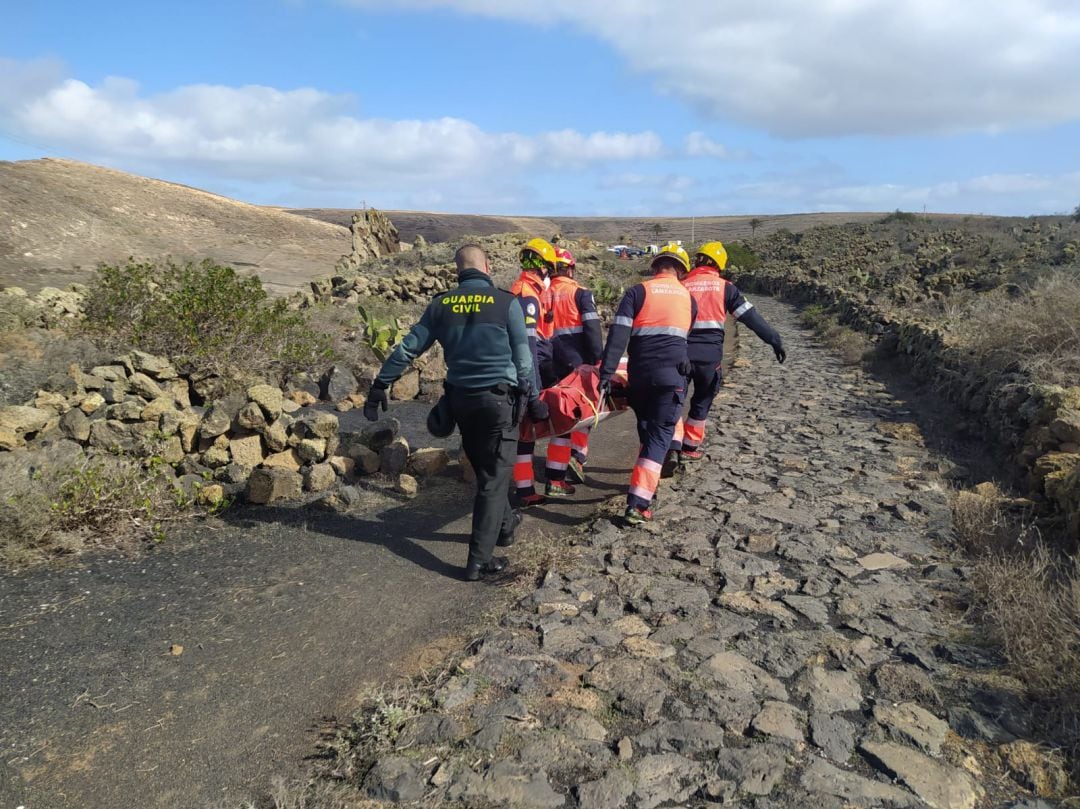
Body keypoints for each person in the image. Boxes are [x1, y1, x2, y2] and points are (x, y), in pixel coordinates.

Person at [364, 244, 548, 581]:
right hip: (498, 403)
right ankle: (479, 562)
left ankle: (504, 527)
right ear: (488, 266)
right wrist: (534, 399)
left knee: (486, 468)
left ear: (457, 271)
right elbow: (524, 358)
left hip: (461, 401)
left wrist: (381, 385)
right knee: (493, 479)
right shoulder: (507, 303)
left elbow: (408, 348)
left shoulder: (441, 305)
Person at [598, 243, 697, 525]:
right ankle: (639, 503)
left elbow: (618, 336)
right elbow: (685, 337)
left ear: (656, 266)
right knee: (659, 436)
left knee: (646, 429)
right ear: (681, 270)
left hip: (639, 376)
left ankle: (647, 483)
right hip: (672, 378)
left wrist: (605, 374)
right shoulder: (689, 299)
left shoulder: (637, 292)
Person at [672, 241, 786, 460]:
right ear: (720, 265)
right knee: (702, 400)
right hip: (710, 357)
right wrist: (774, 339)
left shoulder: (682, 285)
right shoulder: (726, 288)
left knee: (674, 400)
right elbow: (750, 318)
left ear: (696, 261)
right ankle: (689, 446)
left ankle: (672, 445)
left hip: (680, 354)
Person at [542, 247, 603, 497]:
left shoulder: (540, 294)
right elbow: (592, 330)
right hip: (577, 363)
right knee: (582, 412)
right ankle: (576, 457)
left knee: (558, 420)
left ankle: (555, 477)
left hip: (547, 362)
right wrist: (599, 361)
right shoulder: (580, 293)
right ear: (570, 268)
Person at [510, 237, 557, 506]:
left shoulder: (517, 290)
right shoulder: (528, 296)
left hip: (517, 371)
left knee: (523, 434)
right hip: (526, 373)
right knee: (525, 433)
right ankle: (524, 491)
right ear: (542, 268)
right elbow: (528, 349)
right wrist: (535, 395)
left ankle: (525, 489)